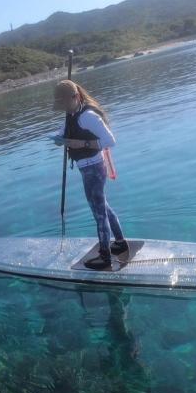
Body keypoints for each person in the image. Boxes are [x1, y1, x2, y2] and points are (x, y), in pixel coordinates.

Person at [52, 79, 127, 270]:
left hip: (94, 168)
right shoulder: (72, 114)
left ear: (76, 97)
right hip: (86, 168)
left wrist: (81, 144)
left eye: (64, 104)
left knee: (98, 212)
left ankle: (105, 256)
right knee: (103, 206)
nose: (63, 109)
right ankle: (119, 242)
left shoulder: (88, 116)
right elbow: (65, 131)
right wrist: (60, 139)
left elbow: (110, 141)